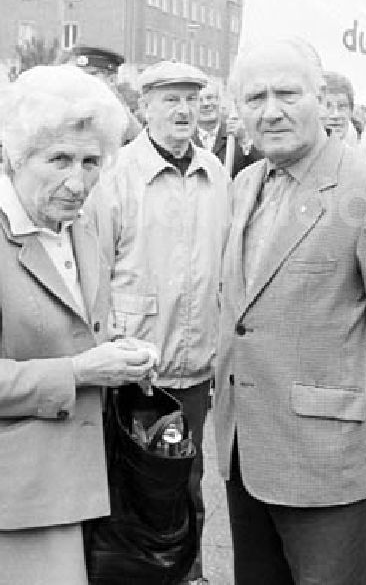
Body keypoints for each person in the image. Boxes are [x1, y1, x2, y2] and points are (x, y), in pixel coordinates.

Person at [215, 37, 366, 585]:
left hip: (327, 461)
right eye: (255, 97)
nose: (271, 110)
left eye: (287, 93)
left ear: (322, 99)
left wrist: (350, 403)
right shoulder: (245, 184)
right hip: (246, 451)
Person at [0, 65, 157, 584]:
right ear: (15, 156)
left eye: (92, 162)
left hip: (76, 482)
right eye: (59, 160)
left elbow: (71, 330)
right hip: (6, 498)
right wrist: (79, 370)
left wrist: (117, 354)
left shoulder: (81, 224)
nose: (78, 181)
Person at [86, 60, 227, 585]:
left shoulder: (215, 173)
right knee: (128, 486)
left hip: (194, 368)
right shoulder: (116, 175)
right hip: (134, 369)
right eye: (170, 99)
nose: (183, 109)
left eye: (192, 99)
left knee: (188, 480)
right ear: (144, 109)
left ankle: (190, 573)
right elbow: (94, 276)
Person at [63, 45, 142, 144]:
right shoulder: (67, 109)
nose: (83, 81)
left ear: (111, 80)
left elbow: (138, 142)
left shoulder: (124, 117)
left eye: (92, 75)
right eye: (79, 75)